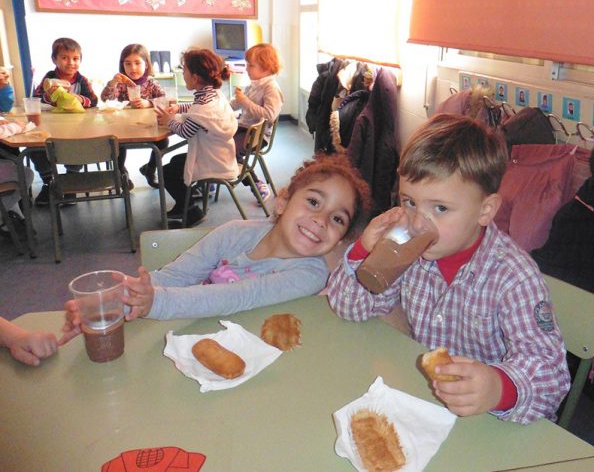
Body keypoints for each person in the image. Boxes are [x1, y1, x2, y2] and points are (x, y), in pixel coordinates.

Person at [327, 114, 570, 425]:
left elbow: (551, 375)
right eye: (409, 202)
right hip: (428, 401)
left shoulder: (513, 277)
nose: (418, 222)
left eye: (439, 208)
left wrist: (498, 388)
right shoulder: (409, 250)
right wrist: (365, 250)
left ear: (485, 211)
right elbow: (350, 308)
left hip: (492, 418)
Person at [60, 154, 371, 328]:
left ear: (341, 238)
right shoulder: (234, 233)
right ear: (282, 202)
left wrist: (156, 302)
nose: (321, 220)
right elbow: (176, 276)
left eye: (337, 219)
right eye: (314, 203)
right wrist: (122, 295)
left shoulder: (312, 273)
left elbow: (237, 297)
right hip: (196, 331)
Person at [155, 48, 239, 227]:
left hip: (213, 162)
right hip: (222, 155)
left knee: (168, 172)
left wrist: (169, 121)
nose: (182, 73)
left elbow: (186, 131)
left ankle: (192, 212)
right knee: (177, 161)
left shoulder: (203, 108)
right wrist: (179, 109)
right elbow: (196, 107)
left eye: (184, 70)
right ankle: (183, 204)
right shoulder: (214, 95)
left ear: (195, 77)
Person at [30, 38, 98, 207]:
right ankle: (48, 182)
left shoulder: (81, 80)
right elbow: (36, 98)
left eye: (75, 59)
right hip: (52, 126)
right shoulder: (49, 78)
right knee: (35, 146)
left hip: (77, 127)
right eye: (64, 58)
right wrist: (48, 95)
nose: (71, 63)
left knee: (80, 144)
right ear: (55, 59)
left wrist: (80, 99)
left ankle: (70, 180)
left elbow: (93, 101)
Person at [100, 44, 169, 190]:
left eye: (138, 63)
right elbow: (105, 98)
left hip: (146, 126)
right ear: (122, 65)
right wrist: (113, 82)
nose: (133, 68)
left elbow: (165, 99)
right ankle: (121, 172)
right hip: (123, 127)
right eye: (128, 64)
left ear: (146, 64)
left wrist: (148, 102)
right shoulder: (121, 84)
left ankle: (150, 169)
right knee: (117, 143)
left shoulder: (151, 83)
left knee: (163, 142)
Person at [231, 43, 284, 201]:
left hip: (258, 136)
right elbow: (236, 103)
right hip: (244, 128)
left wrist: (245, 101)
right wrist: (219, 105)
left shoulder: (271, 88)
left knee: (227, 150)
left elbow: (269, 115)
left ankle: (255, 183)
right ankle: (215, 172)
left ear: (266, 68)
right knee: (214, 141)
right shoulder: (254, 84)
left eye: (251, 65)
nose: (247, 68)